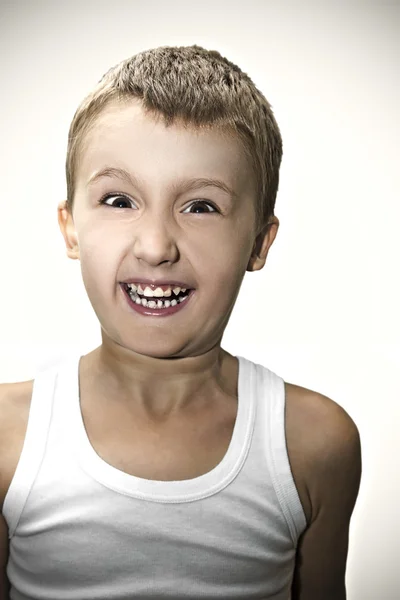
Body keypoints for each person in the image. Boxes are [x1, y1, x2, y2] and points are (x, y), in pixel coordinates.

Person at [0, 44, 361, 600]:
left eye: (201, 207)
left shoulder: (312, 444)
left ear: (259, 242)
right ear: (71, 228)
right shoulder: (9, 437)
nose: (155, 246)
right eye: (119, 200)